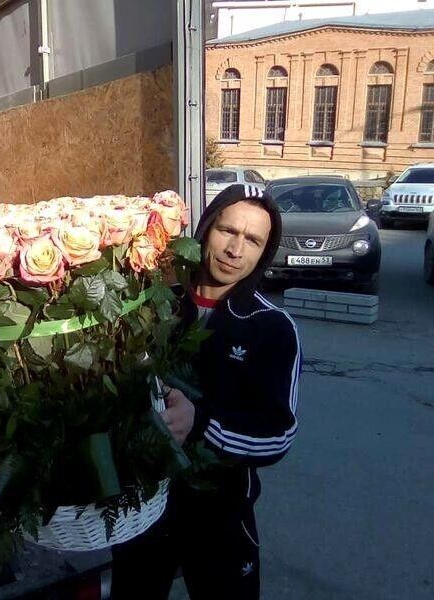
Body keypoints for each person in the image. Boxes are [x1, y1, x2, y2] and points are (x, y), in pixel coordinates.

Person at [111, 184, 301, 599]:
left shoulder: (271, 327)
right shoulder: (155, 307)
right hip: (144, 508)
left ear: (265, 252)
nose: (235, 250)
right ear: (205, 229)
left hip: (222, 515)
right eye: (227, 231)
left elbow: (278, 436)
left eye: (253, 240)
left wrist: (201, 422)